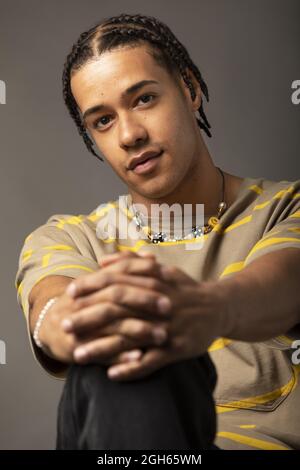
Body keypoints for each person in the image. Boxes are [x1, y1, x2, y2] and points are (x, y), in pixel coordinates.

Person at [15, 13, 300, 450]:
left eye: (144, 99)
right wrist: (73, 323)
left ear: (190, 89)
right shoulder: (70, 237)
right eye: (103, 122)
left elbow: (285, 282)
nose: (129, 134)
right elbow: (48, 302)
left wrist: (206, 310)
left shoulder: (285, 207)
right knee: (126, 342)